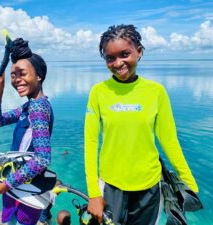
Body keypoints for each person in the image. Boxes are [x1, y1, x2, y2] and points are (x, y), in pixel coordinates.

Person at [84, 24, 199, 225]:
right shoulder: (98, 92)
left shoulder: (156, 92)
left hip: (150, 187)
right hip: (112, 185)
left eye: (124, 54)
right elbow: (91, 142)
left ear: (139, 52)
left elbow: (169, 140)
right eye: (110, 58)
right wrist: (94, 193)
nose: (118, 63)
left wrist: (188, 181)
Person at [0, 38, 54, 225]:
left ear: (39, 76)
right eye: (13, 75)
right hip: (16, 187)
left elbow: (42, 158)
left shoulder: (38, 108)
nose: (17, 80)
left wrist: (3, 185)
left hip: (25, 193)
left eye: (22, 74)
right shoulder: (29, 107)